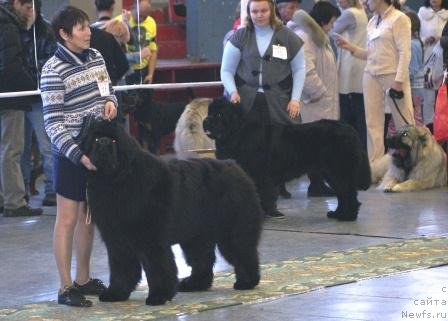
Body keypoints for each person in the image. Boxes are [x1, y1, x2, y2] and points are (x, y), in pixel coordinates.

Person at [40, 5, 118, 307]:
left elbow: (107, 89)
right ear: (64, 34)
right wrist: (77, 155)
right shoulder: (52, 70)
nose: (88, 32)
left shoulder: (96, 57)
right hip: (70, 153)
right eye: (82, 27)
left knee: (89, 217)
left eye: (88, 26)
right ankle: (65, 286)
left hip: (97, 148)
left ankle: (84, 279)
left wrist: (111, 102)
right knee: (68, 219)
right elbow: (53, 123)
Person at [221, 0, 306, 218]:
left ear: (272, 10)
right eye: (254, 11)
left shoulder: (287, 35)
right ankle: (246, 202)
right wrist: (232, 91)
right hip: (246, 103)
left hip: (277, 102)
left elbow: (299, 70)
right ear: (248, 12)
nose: (259, 15)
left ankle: (270, 202)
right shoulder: (239, 36)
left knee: (275, 155)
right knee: (247, 155)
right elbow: (227, 70)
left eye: (263, 10)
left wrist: (295, 99)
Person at [336, 0, 414, 167]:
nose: (364, 1)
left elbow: (405, 53)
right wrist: (350, 47)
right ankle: (375, 167)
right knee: (373, 124)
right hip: (370, 76)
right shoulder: (372, 21)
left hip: (393, 76)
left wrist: (399, 82)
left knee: (405, 123)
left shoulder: (400, 18)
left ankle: (413, 164)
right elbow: (370, 54)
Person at [290, 2, 341, 197]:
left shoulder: (319, 38)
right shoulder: (307, 38)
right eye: (332, 22)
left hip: (323, 103)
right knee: (315, 145)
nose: (333, 26)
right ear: (323, 20)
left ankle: (318, 183)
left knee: (320, 145)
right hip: (314, 103)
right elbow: (306, 71)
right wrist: (319, 92)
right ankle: (316, 184)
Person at [0, 0, 43, 217]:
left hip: (4, 96)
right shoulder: (8, 26)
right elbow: (11, 65)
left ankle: (5, 198)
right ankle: (14, 202)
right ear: (16, 3)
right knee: (12, 150)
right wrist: (33, 87)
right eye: (27, 7)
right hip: (11, 98)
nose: (30, 13)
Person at [20, 0, 57, 207]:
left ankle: (51, 190)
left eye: (30, 7)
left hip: (38, 96)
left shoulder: (46, 29)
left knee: (46, 146)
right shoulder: (13, 28)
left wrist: (27, 72)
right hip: (21, 97)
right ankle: (22, 190)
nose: (27, 11)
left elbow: (51, 59)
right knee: (20, 149)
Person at [332, 0, 368, 150]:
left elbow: (328, 29)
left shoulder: (349, 14)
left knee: (350, 120)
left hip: (351, 69)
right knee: (360, 119)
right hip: (357, 68)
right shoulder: (361, 13)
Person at [418, 0, 448, 132]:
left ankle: (442, 131)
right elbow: (415, 37)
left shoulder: (446, 14)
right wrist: (425, 39)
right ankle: (429, 131)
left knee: (442, 97)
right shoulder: (422, 13)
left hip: (444, 64)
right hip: (427, 64)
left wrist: (441, 40)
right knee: (428, 97)